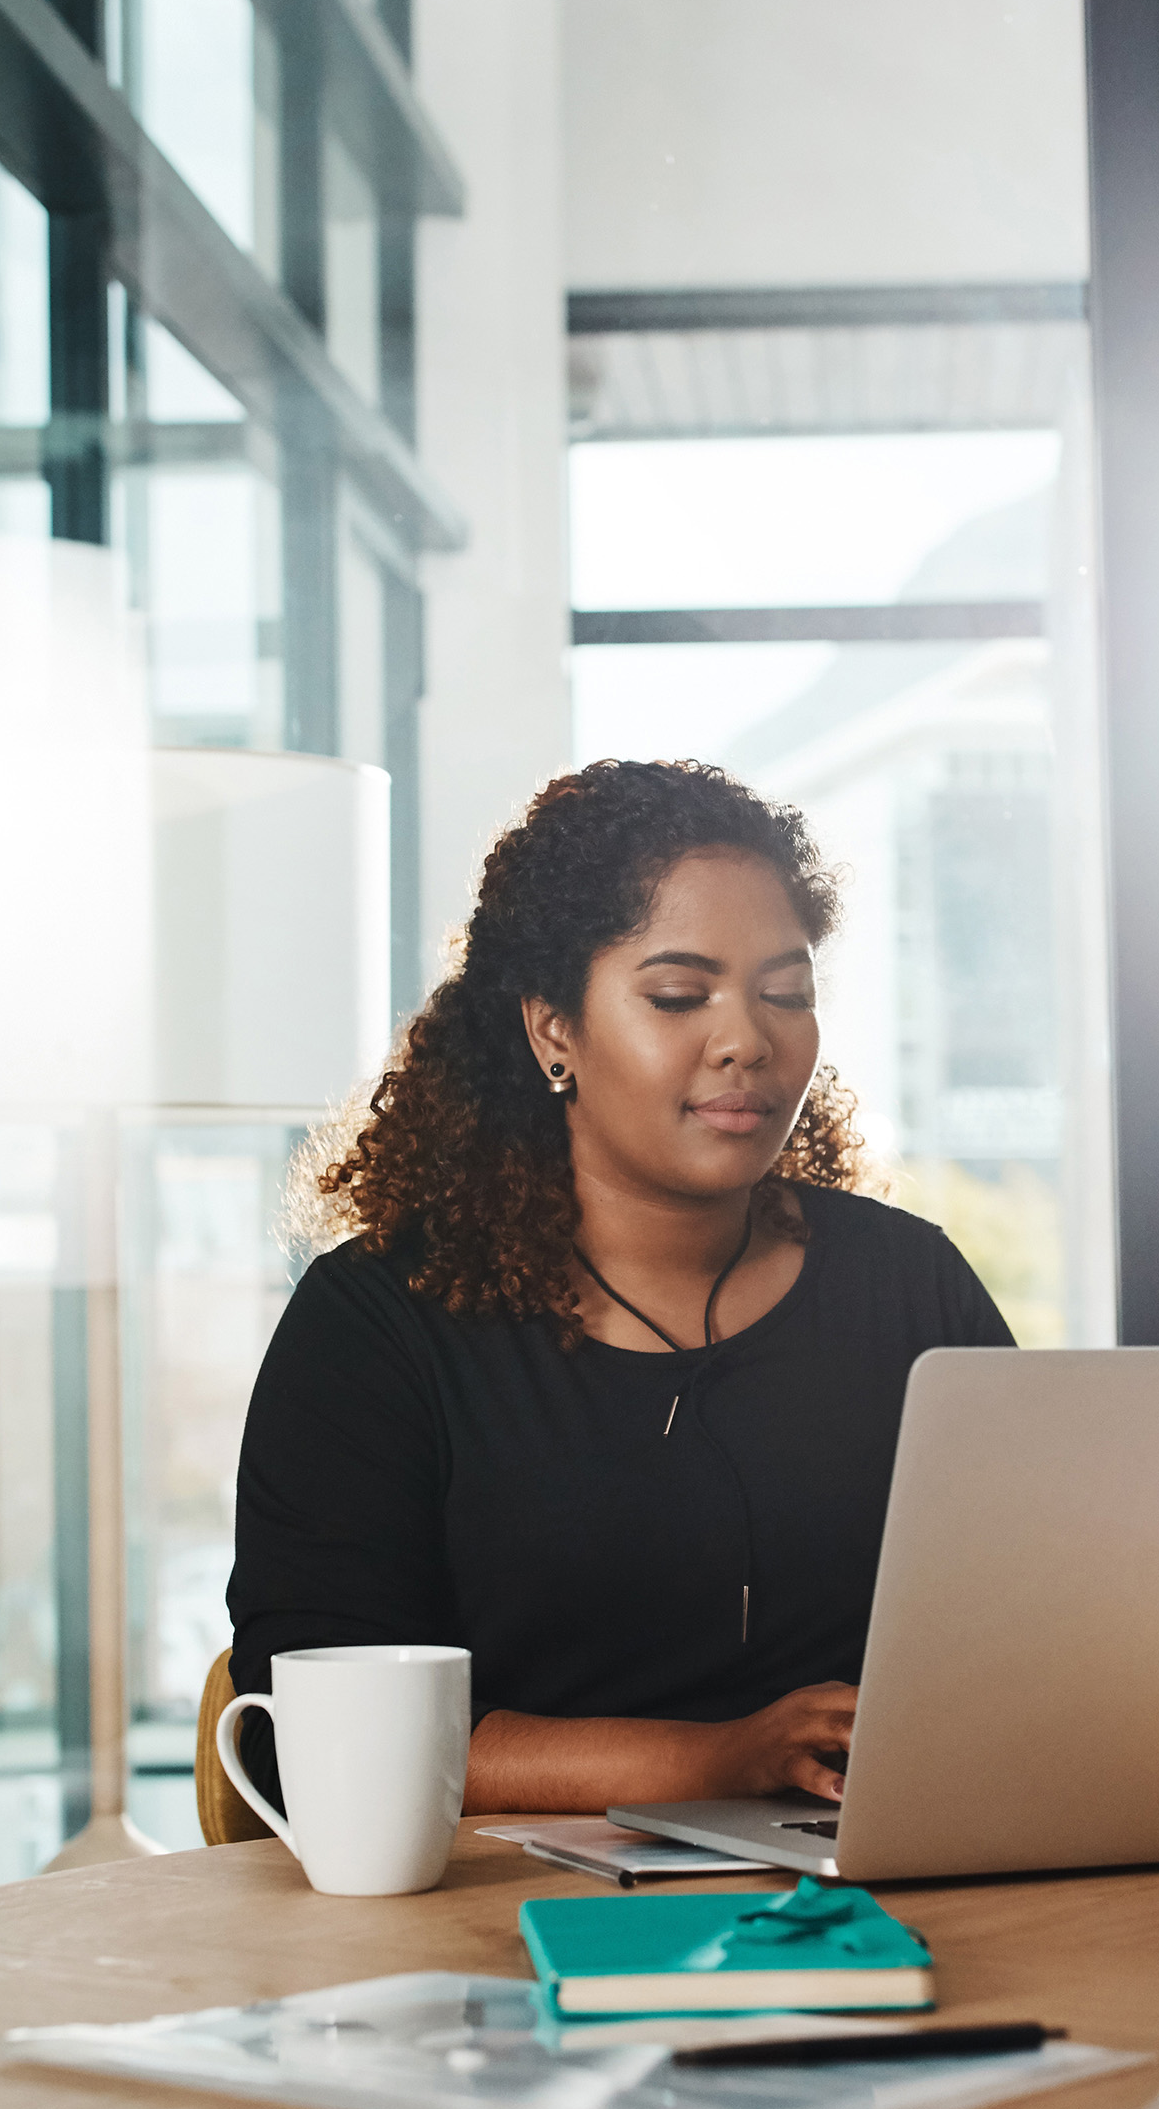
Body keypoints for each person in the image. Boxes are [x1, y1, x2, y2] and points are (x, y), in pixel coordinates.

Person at [226, 758, 1016, 1813]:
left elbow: (1039, 1626)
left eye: (786, 993)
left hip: (869, 1890)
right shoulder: (377, 1326)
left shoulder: (909, 1285)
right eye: (679, 995)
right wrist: (712, 1761)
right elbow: (311, 1728)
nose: (747, 1040)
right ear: (553, 1027)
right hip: (492, 1922)